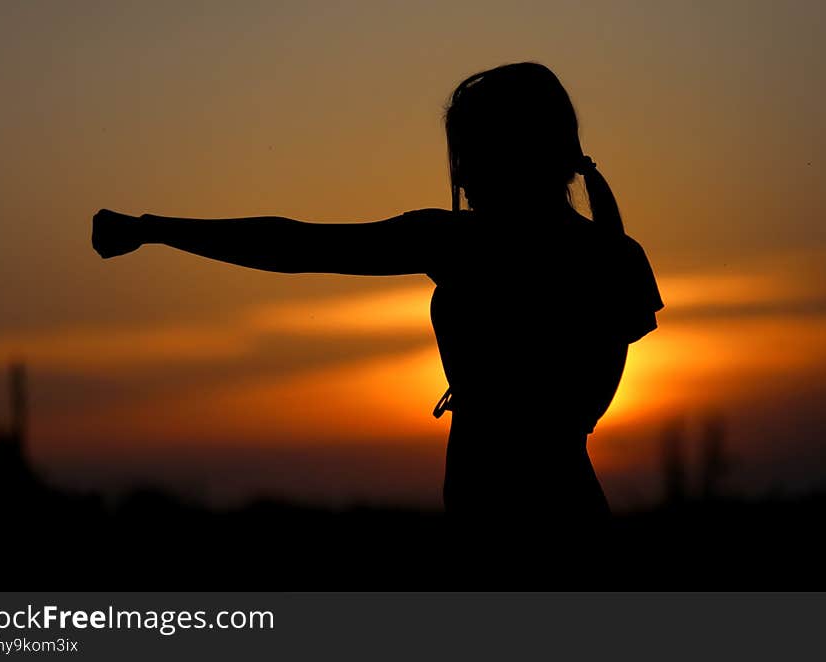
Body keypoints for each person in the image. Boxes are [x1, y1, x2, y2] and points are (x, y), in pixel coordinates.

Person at [92, 62, 664, 549]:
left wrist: (155, 229)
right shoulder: (616, 257)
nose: (460, 174)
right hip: (570, 512)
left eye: (468, 153)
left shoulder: (463, 244)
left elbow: (297, 245)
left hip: (498, 520)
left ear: (504, 153)